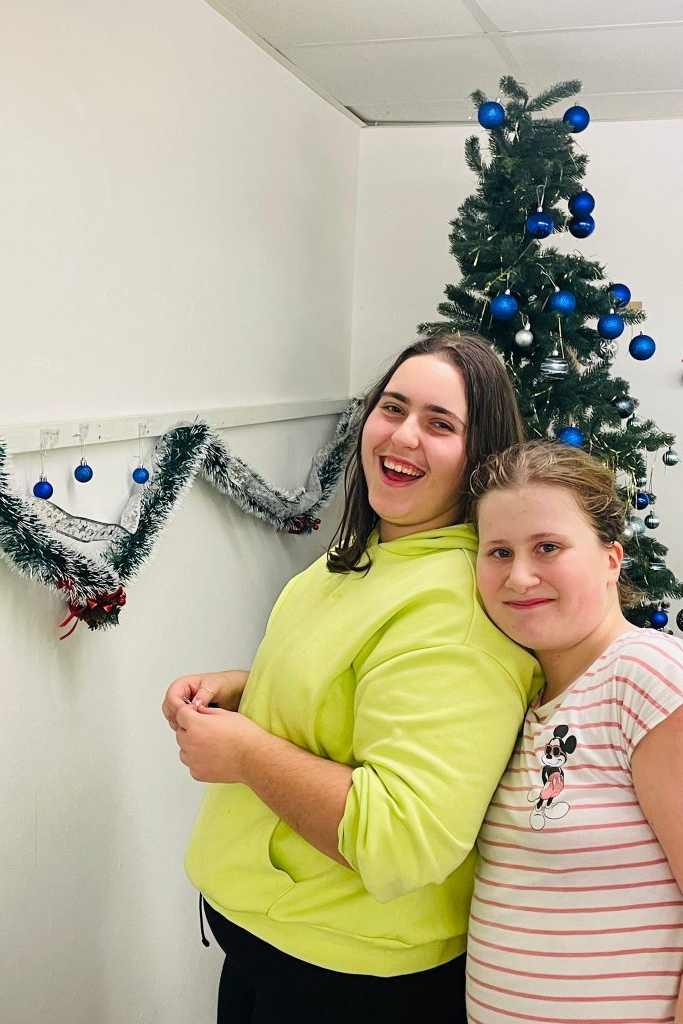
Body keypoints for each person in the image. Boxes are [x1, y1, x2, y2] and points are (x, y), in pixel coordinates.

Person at [163, 331, 542, 1024]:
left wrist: (245, 752)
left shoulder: (455, 613)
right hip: (270, 945)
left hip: (344, 978)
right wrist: (252, 689)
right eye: (392, 408)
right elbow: (362, 688)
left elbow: (401, 838)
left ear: (480, 457)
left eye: (440, 424)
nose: (403, 436)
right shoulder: (371, 552)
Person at [466, 440, 683, 1024]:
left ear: (611, 559)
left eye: (548, 547)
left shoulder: (647, 676)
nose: (519, 577)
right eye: (499, 552)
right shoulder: (522, 696)